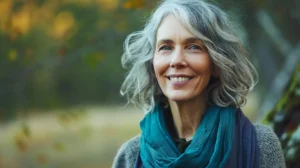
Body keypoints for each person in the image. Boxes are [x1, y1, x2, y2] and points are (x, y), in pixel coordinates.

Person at [113, 0, 285, 167]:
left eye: (194, 47)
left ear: (217, 64)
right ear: (152, 63)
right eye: (165, 47)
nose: (176, 61)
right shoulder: (131, 156)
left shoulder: (259, 145)